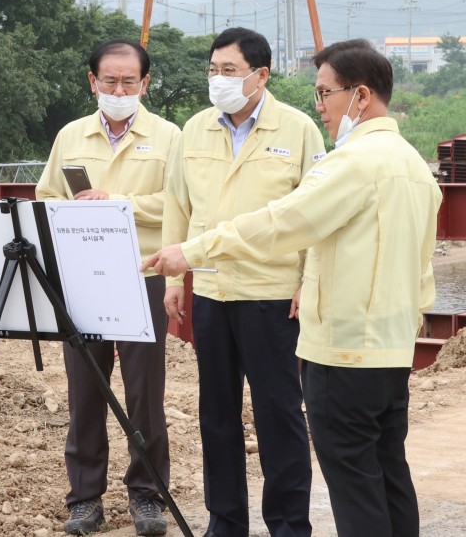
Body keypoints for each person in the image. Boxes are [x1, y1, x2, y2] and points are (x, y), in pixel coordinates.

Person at [144, 39, 441, 537]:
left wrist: (191, 253)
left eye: (325, 93)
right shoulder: (412, 165)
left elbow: (283, 223)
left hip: (343, 350)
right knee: (388, 472)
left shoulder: (351, 162)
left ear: (361, 95)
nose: (320, 106)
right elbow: (422, 271)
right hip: (389, 350)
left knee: (353, 481)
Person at [160, 27, 325, 537]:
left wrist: (308, 280)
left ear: (261, 75)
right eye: (212, 70)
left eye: (228, 71)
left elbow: (318, 214)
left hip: (271, 295)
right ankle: (225, 522)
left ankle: (288, 524)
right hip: (209, 290)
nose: (218, 79)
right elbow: (177, 206)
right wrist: (175, 279)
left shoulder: (297, 130)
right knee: (217, 415)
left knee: (279, 414)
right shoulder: (194, 130)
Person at [36, 39, 180, 536]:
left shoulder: (169, 137)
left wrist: (115, 203)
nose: (119, 89)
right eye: (109, 81)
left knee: (144, 394)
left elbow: (179, 204)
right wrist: (75, 211)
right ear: (93, 82)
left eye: (129, 81)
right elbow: (46, 197)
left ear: (144, 84)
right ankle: (84, 500)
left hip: (144, 275)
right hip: (83, 280)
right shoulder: (70, 137)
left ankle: (146, 495)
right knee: (85, 391)